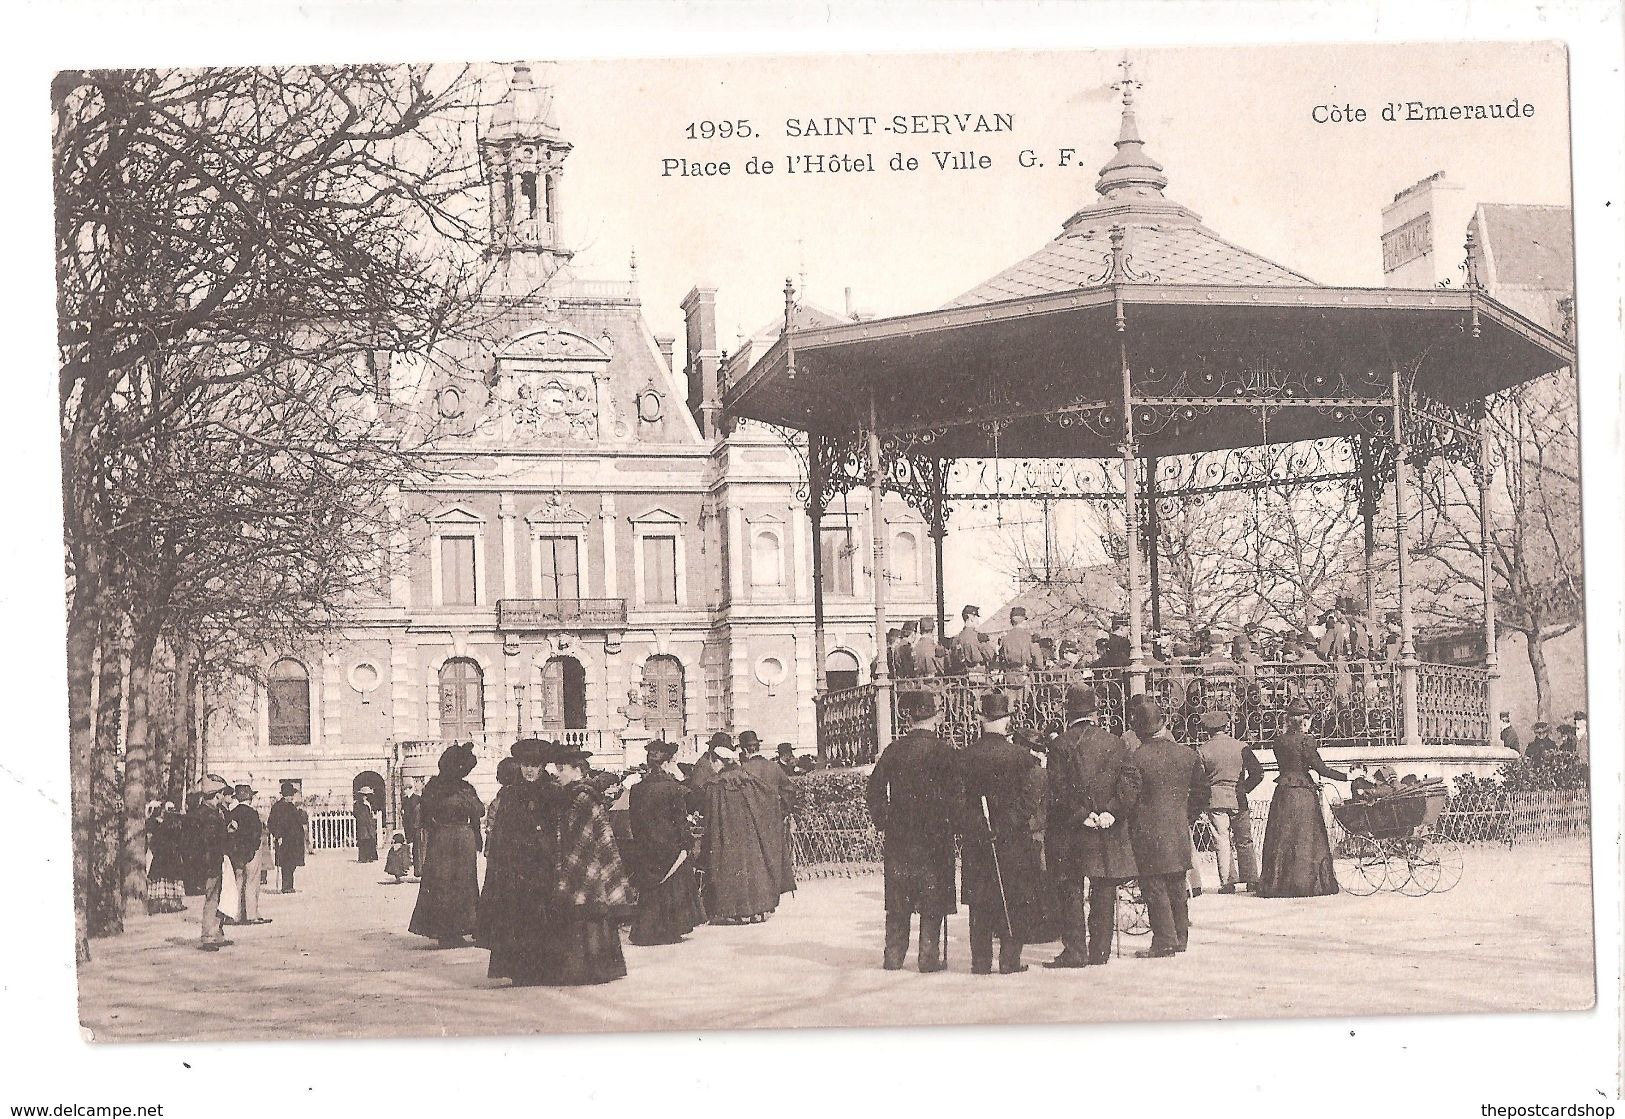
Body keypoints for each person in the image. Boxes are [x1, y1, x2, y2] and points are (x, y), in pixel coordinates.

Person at [865, 691, 961, 972]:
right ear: (936, 717)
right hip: (935, 836)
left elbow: (874, 791)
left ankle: (893, 956)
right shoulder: (945, 751)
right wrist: (953, 825)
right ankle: (928, 957)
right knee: (933, 896)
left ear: (909, 717)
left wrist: (884, 820)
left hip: (900, 836)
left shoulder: (894, 750)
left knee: (898, 896)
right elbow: (958, 796)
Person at [1043, 684, 1136, 968]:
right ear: (1096, 712)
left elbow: (1056, 790)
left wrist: (1082, 814)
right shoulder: (1116, 742)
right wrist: (1112, 812)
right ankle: (1100, 951)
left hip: (1071, 829)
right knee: (1104, 888)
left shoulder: (1059, 745)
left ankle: (1075, 951)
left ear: (1067, 712)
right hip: (1107, 827)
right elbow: (1130, 783)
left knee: (1071, 888)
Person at [958, 691, 1049, 975]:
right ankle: (1010, 959)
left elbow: (956, 802)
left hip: (978, 839)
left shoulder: (964, 757)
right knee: (1014, 897)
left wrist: (978, 826)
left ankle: (980, 961)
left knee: (980, 901)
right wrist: (1007, 823)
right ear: (1008, 720)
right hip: (1013, 840)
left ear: (980, 719)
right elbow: (1030, 800)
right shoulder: (1023, 759)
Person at [1119, 698, 1209, 958]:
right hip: (1178, 829)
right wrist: (1186, 815)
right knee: (1177, 885)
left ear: (1138, 730)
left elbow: (1128, 797)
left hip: (1147, 833)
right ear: (1164, 722)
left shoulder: (1135, 758)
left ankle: (1164, 941)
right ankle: (1180, 937)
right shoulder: (1187, 754)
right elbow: (1202, 794)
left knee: (1154, 887)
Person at [544, 745, 633, 985]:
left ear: (577, 771)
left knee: (585, 915)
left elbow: (580, 837)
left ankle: (586, 969)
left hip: (585, 863)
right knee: (593, 916)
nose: (558, 774)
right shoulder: (584, 794)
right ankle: (602, 967)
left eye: (562, 769)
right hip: (592, 864)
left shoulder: (580, 797)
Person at [481, 740, 562, 985]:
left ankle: (545, 969)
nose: (530, 771)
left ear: (542, 767)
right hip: (516, 867)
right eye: (526, 765)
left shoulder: (552, 792)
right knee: (517, 918)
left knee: (543, 915)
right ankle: (519, 971)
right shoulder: (510, 793)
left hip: (542, 864)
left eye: (535, 766)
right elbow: (501, 832)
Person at [1256, 699, 1348, 898]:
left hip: (1283, 793)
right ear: (1305, 720)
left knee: (1282, 838)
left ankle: (1279, 885)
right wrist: (1346, 776)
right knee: (1307, 838)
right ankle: (1304, 884)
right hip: (1304, 794)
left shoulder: (1279, 741)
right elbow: (1321, 768)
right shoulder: (1307, 741)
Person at [627, 739, 705, 946]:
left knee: (650, 892)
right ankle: (670, 929)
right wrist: (687, 844)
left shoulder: (636, 789)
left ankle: (646, 930)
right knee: (671, 887)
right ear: (666, 763)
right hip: (670, 847)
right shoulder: (672, 788)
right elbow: (680, 821)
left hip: (646, 846)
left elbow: (634, 822)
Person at [409, 742, 483, 947]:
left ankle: (455, 929)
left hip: (452, 838)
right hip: (450, 837)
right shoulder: (449, 788)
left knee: (456, 883)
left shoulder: (451, 787)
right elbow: (477, 810)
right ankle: (450, 931)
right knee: (451, 882)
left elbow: (479, 810)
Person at [698, 744, 783, 924]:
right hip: (750, 834)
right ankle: (758, 910)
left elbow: (710, 817)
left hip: (727, 835)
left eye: (712, 763)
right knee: (753, 869)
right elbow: (769, 798)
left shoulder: (715, 784)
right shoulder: (748, 779)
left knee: (731, 871)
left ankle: (737, 912)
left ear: (718, 762)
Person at [1194, 709, 1260, 895]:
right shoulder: (1241, 747)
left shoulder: (1202, 750)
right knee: (1245, 839)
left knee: (1221, 841)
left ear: (1208, 730)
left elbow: (1199, 780)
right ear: (1226, 726)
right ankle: (1251, 879)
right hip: (1238, 798)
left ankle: (1228, 882)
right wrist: (1244, 788)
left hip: (1215, 800)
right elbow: (1258, 773)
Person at [739, 730, 797, 899]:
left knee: (756, 863)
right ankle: (772, 898)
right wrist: (781, 812)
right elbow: (790, 791)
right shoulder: (774, 768)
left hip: (750, 823)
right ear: (758, 747)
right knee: (772, 860)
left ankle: (760, 901)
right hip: (772, 822)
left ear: (744, 749)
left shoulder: (743, 770)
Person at [193, 775, 234, 951]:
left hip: (214, 860)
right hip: (211, 862)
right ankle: (208, 936)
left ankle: (216, 932)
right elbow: (210, 841)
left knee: (219, 897)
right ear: (216, 795)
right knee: (212, 899)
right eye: (221, 794)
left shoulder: (209, 812)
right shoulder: (208, 815)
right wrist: (228, 832)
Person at [225, 784, 269, 926]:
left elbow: (230, 832)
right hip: (252, 852)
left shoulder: (233, 813)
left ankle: (235, 914)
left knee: (238, 883)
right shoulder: (252, 813)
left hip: (237, 853)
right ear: (249, 798)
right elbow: (256, 833)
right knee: (252, 882)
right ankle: (251, 914)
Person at [145, 801, 187, 915]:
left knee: (169, 876)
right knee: (163, 876)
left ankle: (169, 902)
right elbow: (152, 840)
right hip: (163, 854)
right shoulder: (156, 822)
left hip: (169, 853)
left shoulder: (174, 822)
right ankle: (164, 902)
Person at [266, 781, 308, 894]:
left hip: (294, 840)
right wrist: (277, 835)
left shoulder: (292, 806)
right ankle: (286, 886)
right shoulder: (277, 807)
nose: (290, 797)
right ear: (284, 795)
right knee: (286, 864)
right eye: (288, 795)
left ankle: (290, 885)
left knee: (292, 863)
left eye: (291, 795)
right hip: (284, 840)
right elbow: (271, 823)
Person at [950, 604, 992, 674]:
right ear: (971, 618)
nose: (977, 621)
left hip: (961, 678)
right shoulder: (978, 637)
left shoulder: (955, 639)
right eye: (976, 617)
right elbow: (990, 656)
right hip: (979, 677)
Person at [1000, 606, 1042, 677]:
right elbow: (1038, 661)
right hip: (1025, 676)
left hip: (1009, 677)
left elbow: (1001, 659)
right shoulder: (1028, 637)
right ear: (1023, 621)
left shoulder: (1005, 639)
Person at [401, 777, 425, 876]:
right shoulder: (404, 799)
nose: (405, 792)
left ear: (410, 789)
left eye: (406, 790)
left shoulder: (417, 798)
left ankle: (416, 864)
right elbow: (402, 810)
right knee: (409, 842)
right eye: (404, 790)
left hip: (415, 825)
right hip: (408, 824)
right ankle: (411, 860)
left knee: (416, 845)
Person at [353, 790, 379, 863]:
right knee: (365, 840)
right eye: (364, 795)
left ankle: (367, 857)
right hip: (364, 825)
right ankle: (365, 857)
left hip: (364, 825)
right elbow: (362, 815)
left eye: (366, 795)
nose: (365, 797)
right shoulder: (360, 805)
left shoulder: (366, 804)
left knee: (366, 841)